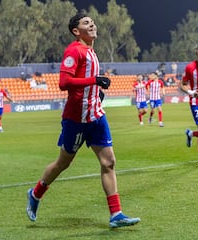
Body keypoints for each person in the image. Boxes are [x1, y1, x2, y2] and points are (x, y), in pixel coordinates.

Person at [25, 12, 140, 228]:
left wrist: (97, 92)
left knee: (109, 162)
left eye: (92, 21)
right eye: (86, 23)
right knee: (63, 163)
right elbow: (64, 82)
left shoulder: (91, 52)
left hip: (96, 116)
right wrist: (94, 80)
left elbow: (87, 84)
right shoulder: (74, 51)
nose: (92, 24)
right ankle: (36, 193)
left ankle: (116, 214)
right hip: (76, 120)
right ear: (76, 31)